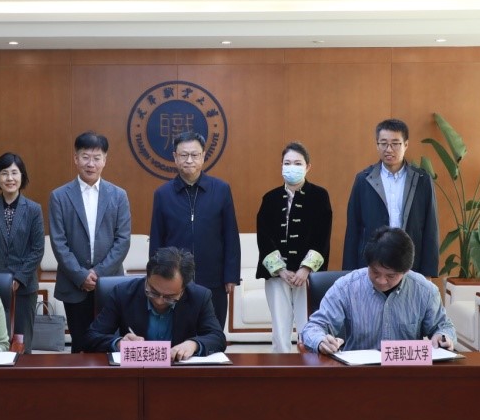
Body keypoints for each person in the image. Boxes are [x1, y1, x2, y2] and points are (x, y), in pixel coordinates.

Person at [301, 227, 455, 354]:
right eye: (375, 272)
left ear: (406, 271)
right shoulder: (346, 287)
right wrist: (321, 341)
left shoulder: (425, 291)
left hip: (406, 372)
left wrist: (443, 337)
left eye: (390, 276)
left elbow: (443, 327)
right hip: (359, 374)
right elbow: (313, 327)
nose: (381, 281)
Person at [48, 131, 131, 353]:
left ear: (105, 160)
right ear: (76, 159)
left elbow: (123, 240)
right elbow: (58, 242)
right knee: (80, 344)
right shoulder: (59, 196)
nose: (90, 163)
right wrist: (81, 275)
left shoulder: (118, 195)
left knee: (111, 344)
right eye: (85, 157)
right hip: (74, 283)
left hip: (110, 282)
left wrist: (98, 274)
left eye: (96, 158)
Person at [149, 130, 240, 327]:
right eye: (184, 155)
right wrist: (155, 277)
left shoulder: (221, 189)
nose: (189, 160)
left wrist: (231, 275)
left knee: (213, 330)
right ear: (175, 157)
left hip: (214, 278)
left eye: (194, 155)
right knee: (177, 331)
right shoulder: (163, 194)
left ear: (203, 156)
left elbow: (230, 235)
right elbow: (157, 238)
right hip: (174, 280)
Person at [255, 142, 332, 352]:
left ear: (308, 167)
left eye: (298, 163)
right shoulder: (270, 198)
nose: (292, 167)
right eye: (287, 163)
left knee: (309, 324)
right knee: (279, 328)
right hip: (277, 275)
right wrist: (280, 270)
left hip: (307, 275)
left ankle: (310, 363)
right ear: (281, 165)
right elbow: (264, 237)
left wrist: (305, 269)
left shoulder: (319, 196)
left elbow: (322, 236)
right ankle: (281, 365)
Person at [86, 247, 226, 360]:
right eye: (152, 292)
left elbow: (217, 338)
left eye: (170, 297)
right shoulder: (123, 294)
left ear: (183, 288)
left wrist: (193, 344)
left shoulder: (199, 297)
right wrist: (119, 343)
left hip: (179, 372)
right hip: (136, 373)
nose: (159, 301)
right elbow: (91, 337)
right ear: (147, 277)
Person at [342, 118, 439, 277]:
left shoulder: (422, 180)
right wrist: (349, 272)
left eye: (395, 143)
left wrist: (428, 273)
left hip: (410, 263)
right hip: (372, 263)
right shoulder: (363, 179)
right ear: (377, 145)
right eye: (383, 143)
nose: (389, 149)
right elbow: (353, 229)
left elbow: (430, 229)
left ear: (406, 145)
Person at [0, 152, 45, 353]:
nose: (10, 178)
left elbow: (38, 248)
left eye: (14, 173)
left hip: (25, 287)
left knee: (22, 343)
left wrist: (18, 278)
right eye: (4, 173)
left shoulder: (33, 209)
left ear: (22, 176)